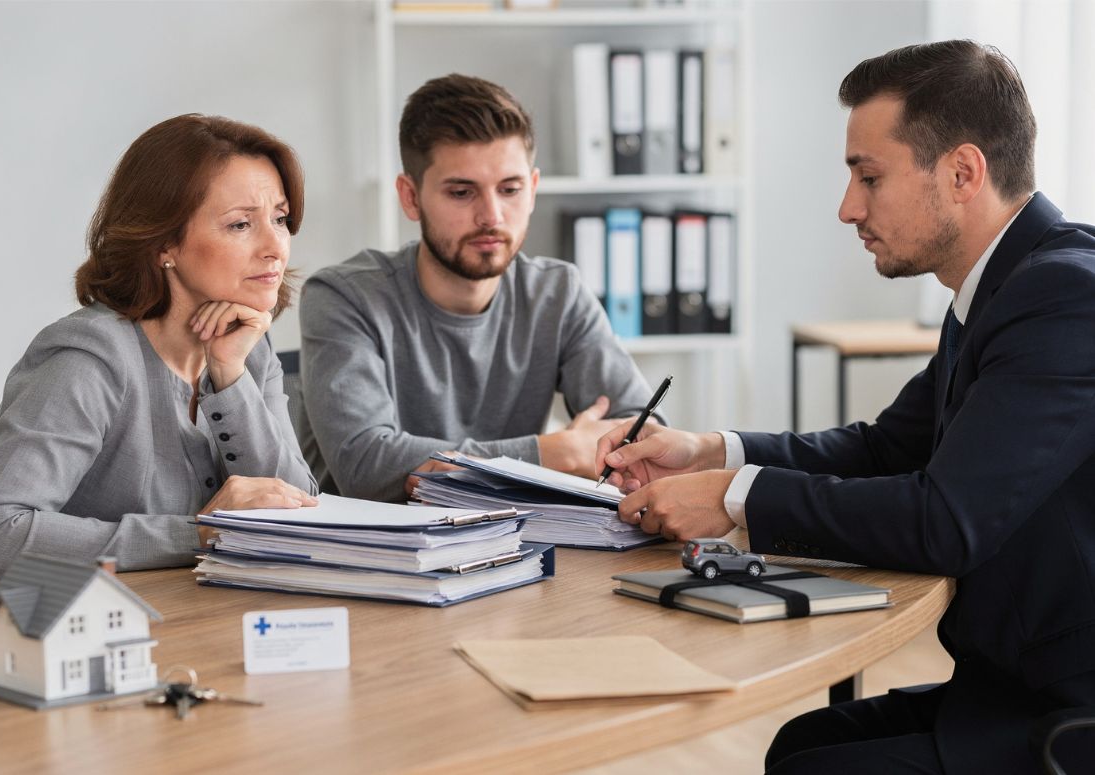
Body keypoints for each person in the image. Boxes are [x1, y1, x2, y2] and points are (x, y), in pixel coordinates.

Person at [596, 41, 1095, 773]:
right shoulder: (998, 289)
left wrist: (735, 501)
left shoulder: (1063, 297)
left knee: (810, 766)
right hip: (1009, 688)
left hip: (1067, 712)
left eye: (869, 176)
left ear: (962, 172)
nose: (847, 208)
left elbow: (943, 521)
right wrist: (715, 452)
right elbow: (887, 448)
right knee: (801, 744)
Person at [0, 114, 318, 581]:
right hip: (68, 635)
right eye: (240, 225)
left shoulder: (248, 347)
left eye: (280, 218)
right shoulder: (88, 360)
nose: (276, 246)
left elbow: (298, 506)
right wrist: (198, 533)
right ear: (163, 242)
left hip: (201, 625)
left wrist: (229, 376)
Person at [299, 74, 656, 502]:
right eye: (462, 192)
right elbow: (368, 467)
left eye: (510, 189)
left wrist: (443, 466)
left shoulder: (556, 293)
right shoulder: (343, 297)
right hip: (373, 558)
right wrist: (553, 452)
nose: (492, 216)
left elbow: (644, 439)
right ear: (410, 197)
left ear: (533, 189)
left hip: (518, 546)